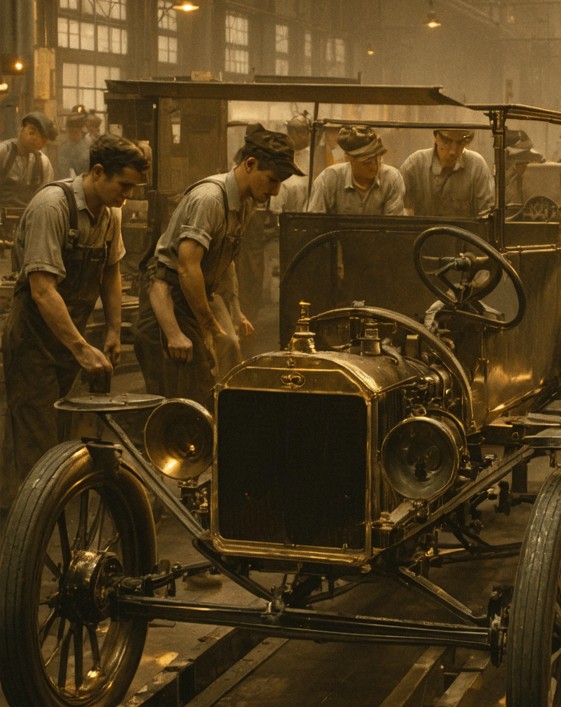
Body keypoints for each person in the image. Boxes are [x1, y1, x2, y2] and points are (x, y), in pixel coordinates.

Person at [1, 134, 149, 513]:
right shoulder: (53, 207)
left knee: (60, 434)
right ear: (98, 171)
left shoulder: (111, 212)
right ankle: (25, 533)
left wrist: (114, 330)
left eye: (133, 188)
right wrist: (82, 348)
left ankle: (43, 513)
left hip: (67, 339)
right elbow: (43, 290)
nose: (127, 196)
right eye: (124, 186)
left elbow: (111, 271)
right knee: (36, 440)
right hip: (33, 339)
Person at [134, 125, 303, 407]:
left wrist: (235, 311)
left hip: (196, 295)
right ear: (250, 164)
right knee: (186, 396)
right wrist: (207, 323)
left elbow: (226, 262)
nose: (275, 191)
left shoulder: (246, 203)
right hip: (170, 297)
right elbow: (187, 268)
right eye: (272, 180)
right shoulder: (210, 199)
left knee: (223, 369)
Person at [307, 125, 405, 215]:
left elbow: (394, 227)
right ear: (349, 159)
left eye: (378, 160)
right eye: (367, 162)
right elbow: (315, 224)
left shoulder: (392, 179)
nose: (375, 166)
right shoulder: (328, 179)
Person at [399, 128, 493, 217]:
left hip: (464, 233)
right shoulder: (415, 164)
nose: (453, 151)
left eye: (460, 143)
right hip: (422, 233)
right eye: (447, 142)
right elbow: (398, 209)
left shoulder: (476, 166)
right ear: (436, 138)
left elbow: (487, 212)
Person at [0, 111, 56, 211]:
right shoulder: (3, 153)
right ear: (21, 129)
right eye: (32, 132)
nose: (34, 138)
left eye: (41, 137)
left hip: (29, 220)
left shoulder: (44, 163)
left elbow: (46, 199)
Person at [55, 110, 91, 179]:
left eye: (76, 131)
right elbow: (63, 172)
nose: (74, 134)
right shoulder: (64, 148)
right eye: (72, 131)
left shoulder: (86, 145)